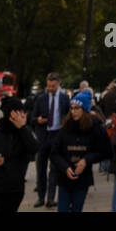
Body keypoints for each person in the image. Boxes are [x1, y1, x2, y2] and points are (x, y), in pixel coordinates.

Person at [50, 90, 111, 212]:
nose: (73, 111)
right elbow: (54, 153)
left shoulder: (96, 128)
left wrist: (86, 160)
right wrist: (65, 167)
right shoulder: (66, 127)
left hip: (83, 179)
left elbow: (107, 152)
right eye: (72, 108)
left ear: (85, 110)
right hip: (64, 178)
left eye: (77, 108)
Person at [29, 72, 70, 209]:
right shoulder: (41, 98)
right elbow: (32, 118)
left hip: (57, 135)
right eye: (49, 86)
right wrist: (38, 120)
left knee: (54, 169)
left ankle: (51, 198)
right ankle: (41, 197)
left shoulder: (64, 98)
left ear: (59, 84)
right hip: (43, 136)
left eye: (53, 86)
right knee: (40, 168)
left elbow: (68, 115)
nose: (51, 89)